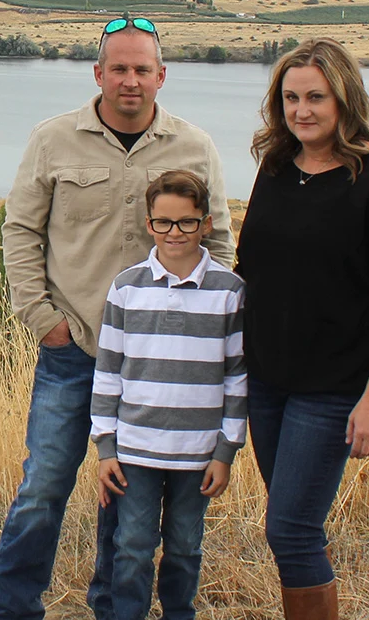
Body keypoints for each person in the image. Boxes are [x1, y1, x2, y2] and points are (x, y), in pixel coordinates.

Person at [0, 17, 235, 620]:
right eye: (118, 68)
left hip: (155, 364)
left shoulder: (195, 146)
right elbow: (20, 231)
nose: (130, 80)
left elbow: (220, 244)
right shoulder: (53, 140)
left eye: (141, 69)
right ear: (97, 73)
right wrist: (43, 319)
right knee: (45, 485)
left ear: (161, 76)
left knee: (124, 497)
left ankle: (110, 608)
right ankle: (12, 610)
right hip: (74, 349)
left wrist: (199, 334)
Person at [235, 37, 369, 620]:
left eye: (316, 97)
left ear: (345, 98)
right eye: (291, 98)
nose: (302, 111)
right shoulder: (277, 166)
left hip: (333, 390)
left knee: (291, 529)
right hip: (266, 383)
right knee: (291, 525)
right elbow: (252, 267)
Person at [91, 169, 246, 620]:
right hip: (135, 451)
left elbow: (237, 378)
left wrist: (225, 451)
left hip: (198, 454)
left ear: (206, 223)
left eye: (186, 222)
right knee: (132, 545)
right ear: (148, 223)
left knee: (184, 547)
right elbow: (109, 373)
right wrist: (105, 447)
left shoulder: (229, 292)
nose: (174, 232)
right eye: (163, 222)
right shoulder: (127, 288)